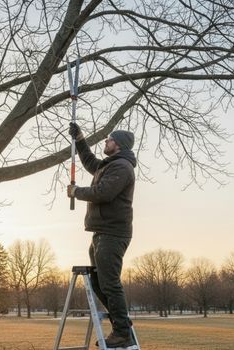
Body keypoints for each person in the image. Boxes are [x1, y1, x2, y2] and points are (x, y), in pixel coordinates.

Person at [67, 122, 137, 348]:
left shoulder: (122, 168)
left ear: (118, 144)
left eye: (109, 139)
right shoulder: (110, 166)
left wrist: (77, 192)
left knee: (110, 284)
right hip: (101, 233)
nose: (106, 142)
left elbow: (104, 193)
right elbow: (90, 162)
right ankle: (122, 322)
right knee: (98, 283)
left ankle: (122, 332)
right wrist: (79, 139)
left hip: (113, 234)